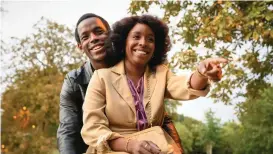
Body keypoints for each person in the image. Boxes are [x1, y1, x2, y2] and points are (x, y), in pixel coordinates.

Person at [81, 15, 228, 154]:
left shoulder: (161, 73)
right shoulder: (101, 77)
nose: (143, 43)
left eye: (150, 39)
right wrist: (130, 145)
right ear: (124, 41)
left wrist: (202, 73)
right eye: (136, 37)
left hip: (156, 146)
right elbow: (92, 128)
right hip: (113, 149)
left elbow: (184, 86)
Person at [57, 13, 183, 154]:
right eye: (85, 37)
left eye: (99, 32)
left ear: (111, 34)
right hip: (98, 146)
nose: (94, 39)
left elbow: (158, 115)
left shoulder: (134, 64)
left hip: (145, 144)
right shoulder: (74, 82)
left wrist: (177, 147)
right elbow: (68, 130)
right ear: (80, 46)